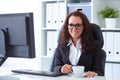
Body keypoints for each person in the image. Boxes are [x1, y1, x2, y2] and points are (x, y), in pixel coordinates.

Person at [52, 10, 105, 77]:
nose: (74, 29)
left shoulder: (95, 46)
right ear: (67, 26)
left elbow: (99, 71)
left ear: (84, 26)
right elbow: (55, 67)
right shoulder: (62, 45)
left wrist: (95, 73)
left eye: (78, 25)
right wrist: (61, 69)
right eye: (71, 25)